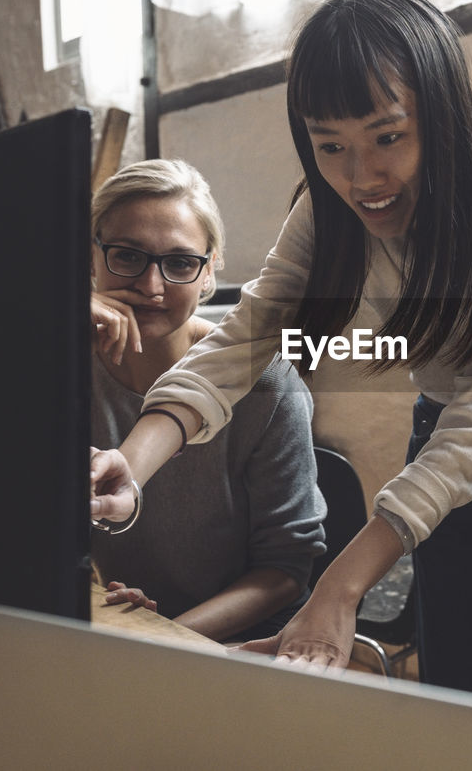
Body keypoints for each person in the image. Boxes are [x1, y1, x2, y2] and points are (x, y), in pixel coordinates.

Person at [88, 0, 472, 760]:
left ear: (441, 117)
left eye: (388, 137)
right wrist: (130, 465)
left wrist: (337, 589)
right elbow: (242, 338)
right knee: (458, 695)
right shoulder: (325, 212)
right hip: (441, 424)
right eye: (330, 144)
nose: (362, 175)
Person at [88, 158, 326, 643]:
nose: (151, 286)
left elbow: (284, 570)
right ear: (91, 258)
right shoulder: (60, 371)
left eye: (179, 263)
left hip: (244, 640)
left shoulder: (266, 384)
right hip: (123, 627)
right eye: (128, 256)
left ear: (209, 270)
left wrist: (167, 638)